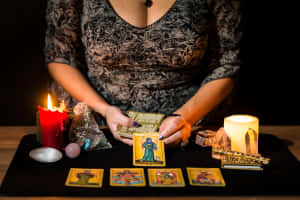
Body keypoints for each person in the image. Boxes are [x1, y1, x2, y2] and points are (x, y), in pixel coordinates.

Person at [44, 0, 242, 146]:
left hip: (187, 129)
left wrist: (185, 118)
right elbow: (60, 57)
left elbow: (228, 63)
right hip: (96, 130)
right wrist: (104, 109)